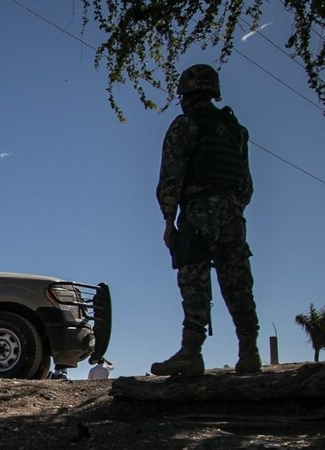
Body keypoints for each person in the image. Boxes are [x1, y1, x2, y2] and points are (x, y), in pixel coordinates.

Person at [152, 64, 261, 377]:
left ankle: (191, 352)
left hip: (199, 211)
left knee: (194, 279)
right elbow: (246, 186)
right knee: (237, 280)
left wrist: (169, 220)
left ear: (186, 93)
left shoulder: (185, 125)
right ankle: (249, 351)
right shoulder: (235, 130)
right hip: (232, 212)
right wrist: (231, 207)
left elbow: (171, 178)